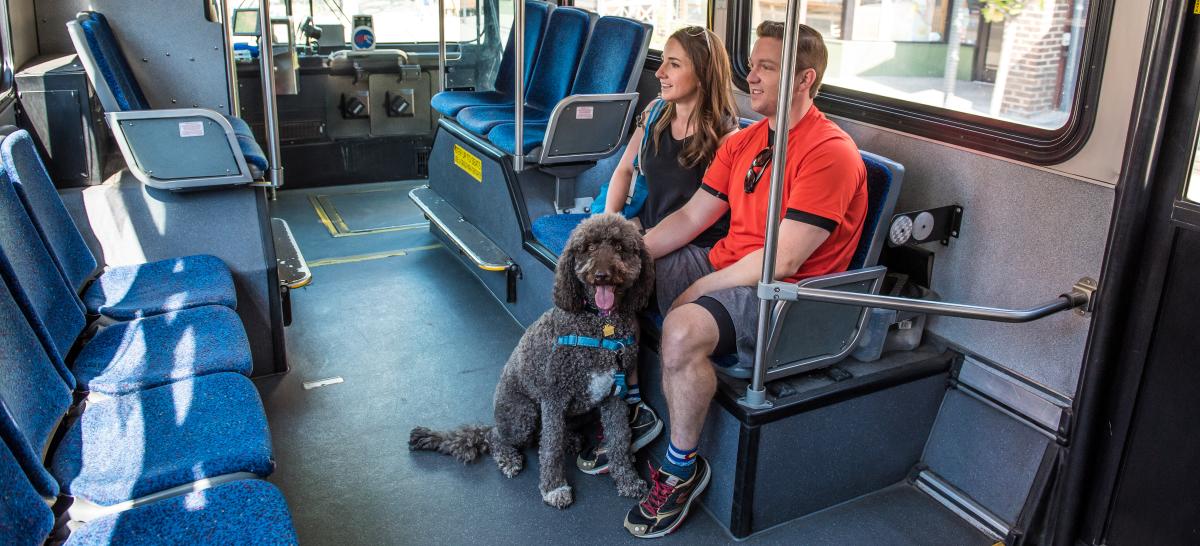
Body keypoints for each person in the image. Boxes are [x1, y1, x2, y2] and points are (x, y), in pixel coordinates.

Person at [622, 22, 868, 538]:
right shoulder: (746, 142)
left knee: (685, 327)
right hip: (728, 264)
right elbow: (691, 219)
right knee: (616, 275)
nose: (750, 77)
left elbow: (781, 261)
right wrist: (618, 250)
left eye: (767, 68)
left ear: (805, 79)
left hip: (786, 297)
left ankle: (681, 468)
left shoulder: (830, 152)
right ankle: (623, 404)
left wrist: (697, 289)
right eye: (752, 65)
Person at [574, 25, 740, 476]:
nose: (660, 72)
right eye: (662, 61)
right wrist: (608, 228)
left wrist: (630, 252)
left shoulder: (726, 138)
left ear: (702, 74)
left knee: (616, 286)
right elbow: (625, 172)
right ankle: (618, 395)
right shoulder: (655, 113)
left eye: (674, 64)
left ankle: (630, 407)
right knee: (591, 272)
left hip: (695, 248)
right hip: (646, 231)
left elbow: (693, 222)